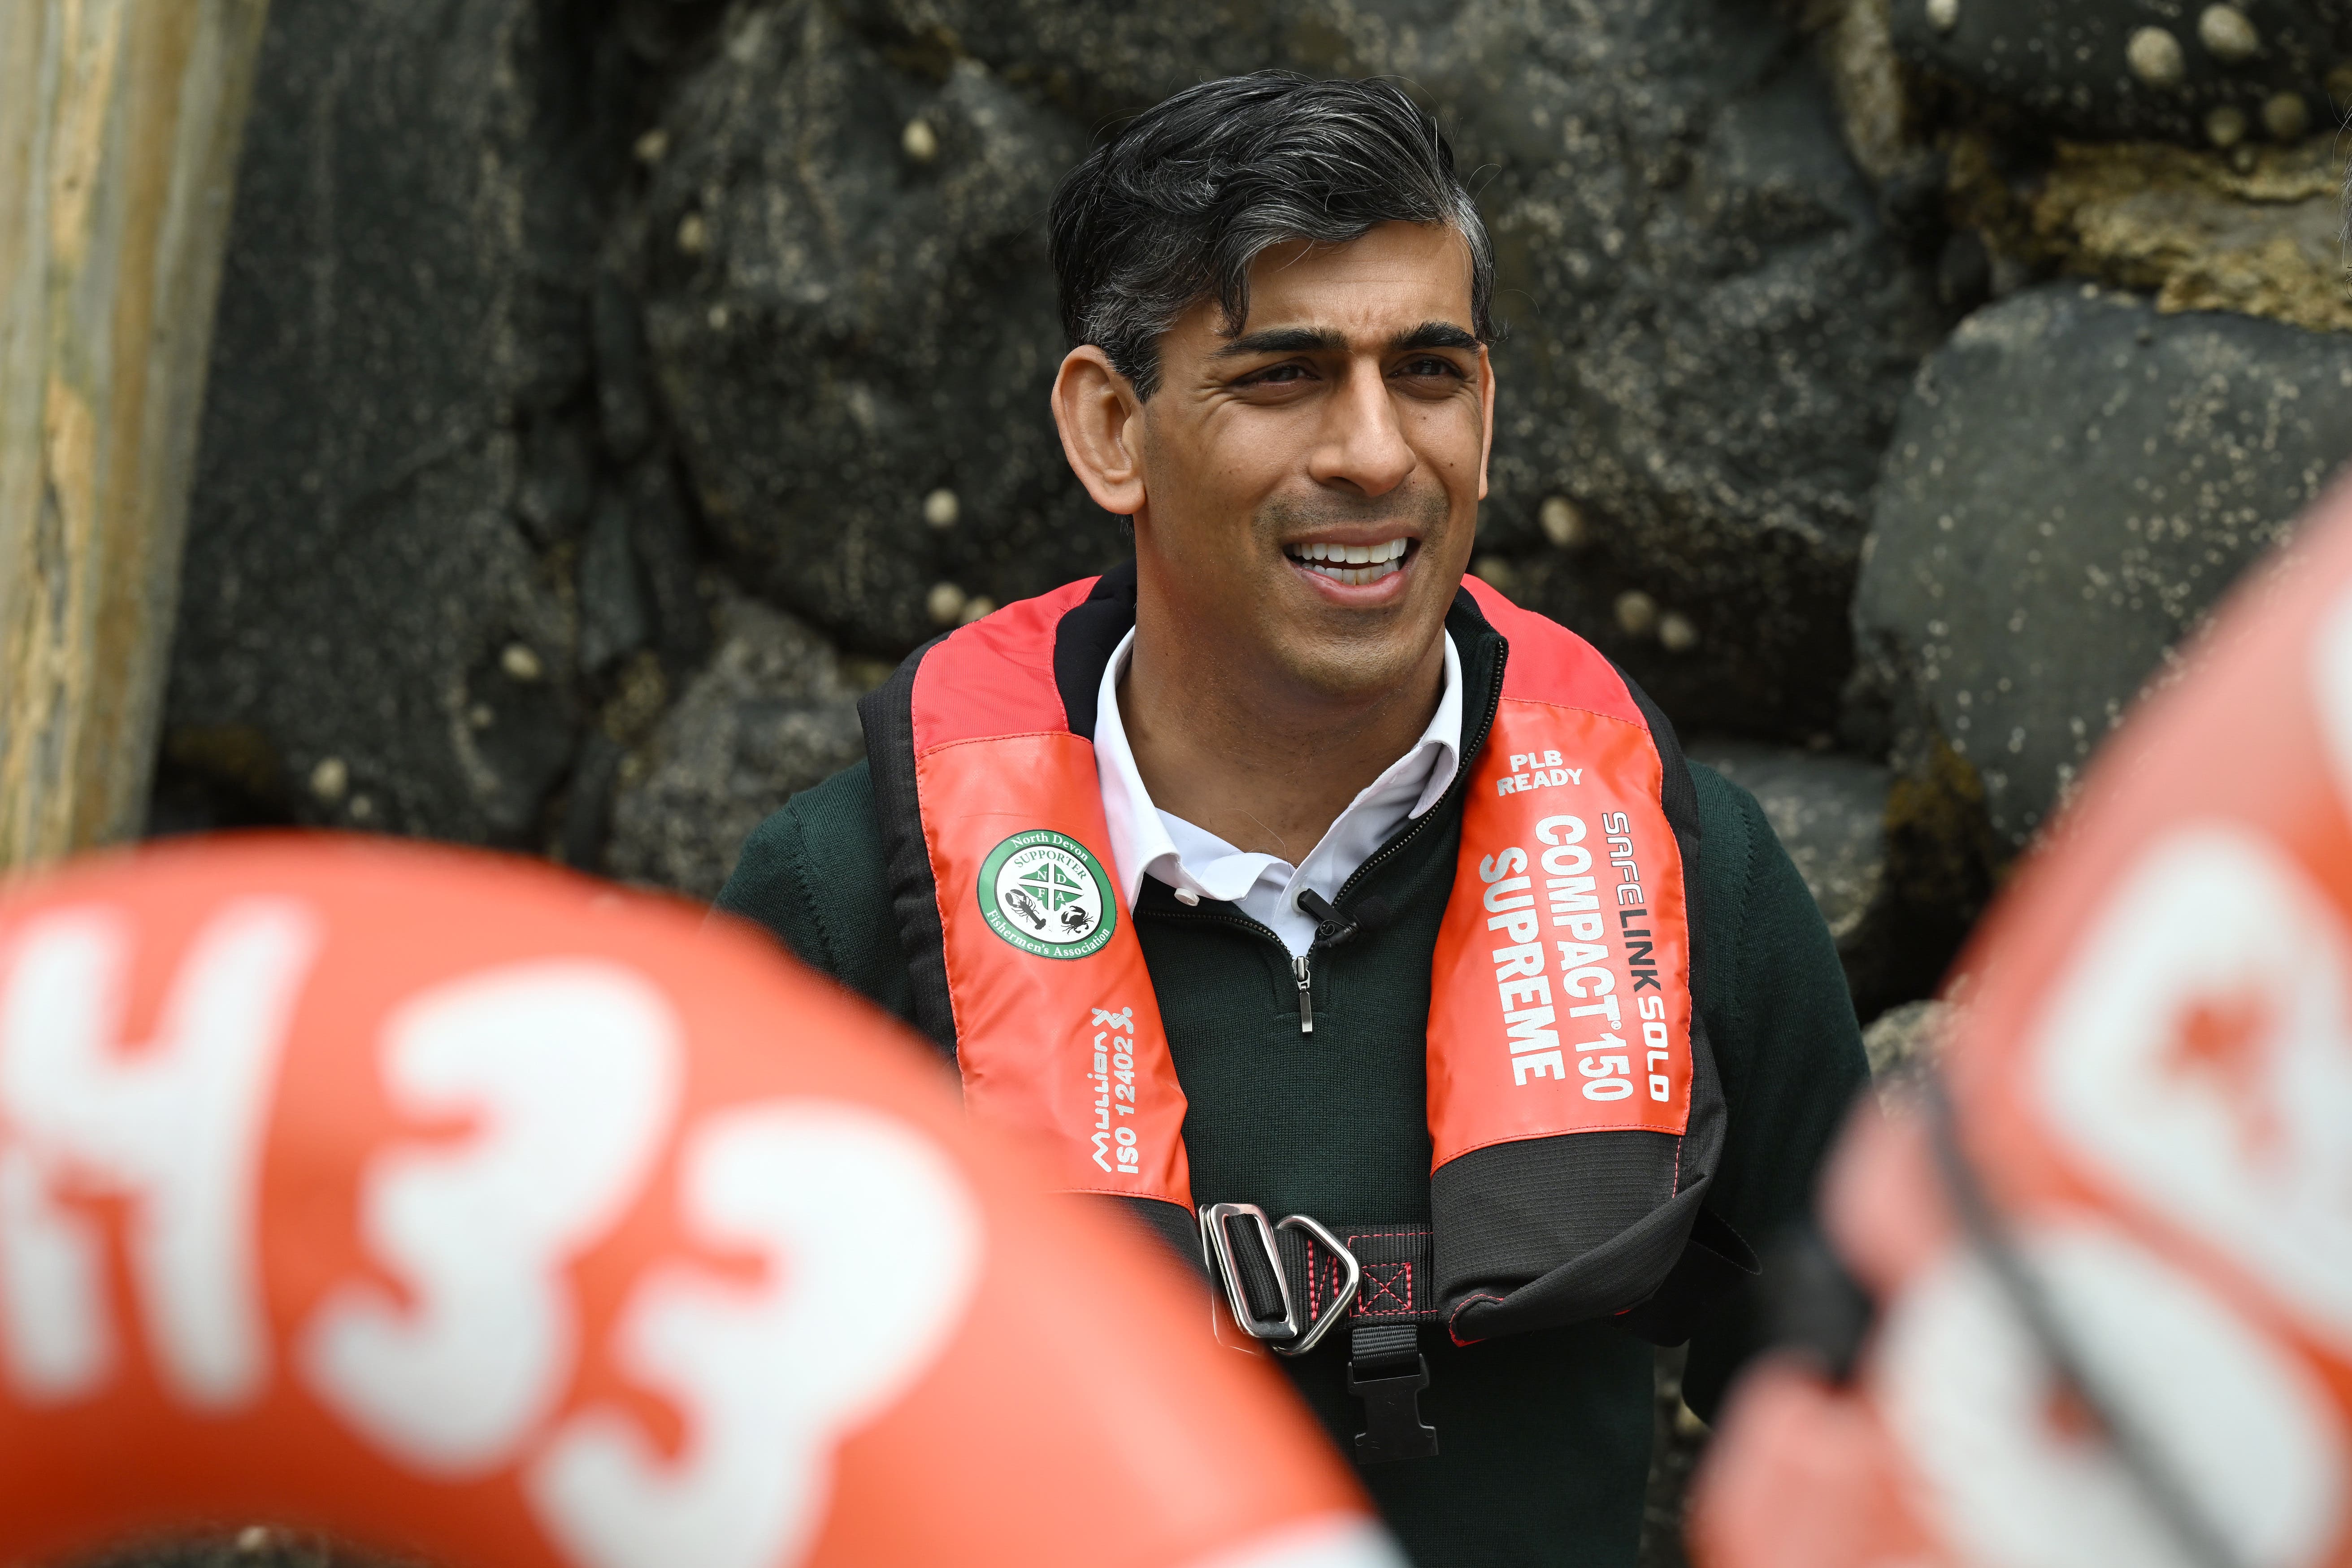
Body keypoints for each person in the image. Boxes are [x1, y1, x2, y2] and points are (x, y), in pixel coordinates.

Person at [718, 72, 1868, 1568]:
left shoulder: (1694, 878)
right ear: (1110, 428)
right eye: (1285, 376)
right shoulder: (841, 905)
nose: (1379, 453)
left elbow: (1890, 1427)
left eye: (1432, 372)